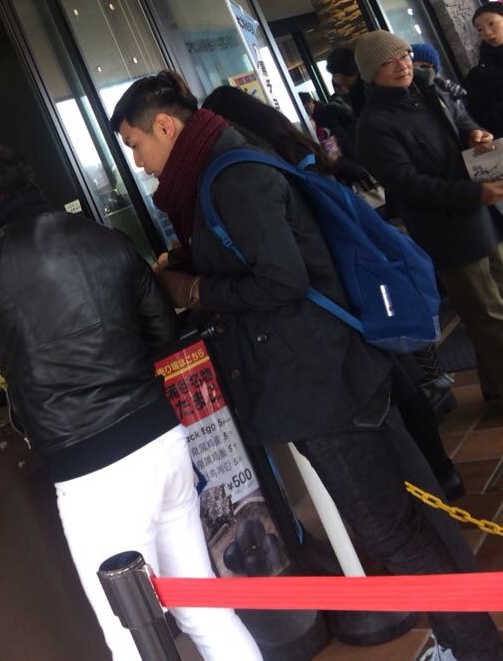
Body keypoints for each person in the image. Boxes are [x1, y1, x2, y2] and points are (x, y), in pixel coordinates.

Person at [112, 70, 502, 661]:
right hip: (332, 372)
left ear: (165, 126)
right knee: (414, 518)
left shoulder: (231, 175)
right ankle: (470, 641)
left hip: (323, 385)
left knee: (394, 532)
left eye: (136, 144)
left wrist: (191, 289)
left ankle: (473, 648)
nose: (139, 163)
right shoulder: (222, 166)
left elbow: (282, 280)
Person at [0, 145, 260, 661]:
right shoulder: (104, 237)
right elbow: (163, 334)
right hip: (162, 441)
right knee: (206, 610)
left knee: (131, 637)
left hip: (95, 472)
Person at [202, 84, 462, 499]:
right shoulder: (293, 145)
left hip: (334, 294)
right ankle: (443, 472)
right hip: (357, 278)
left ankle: (433, 481)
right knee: (400, 381)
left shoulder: (253, 167)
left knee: (393, 392)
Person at [354, 30, 503, 405]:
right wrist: (474, 194)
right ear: (370, 73)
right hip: (448, 232)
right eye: (388, 62)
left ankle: (495, 388)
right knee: (489, 318)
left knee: (494, 310)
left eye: (404, 55)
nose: (402, 65)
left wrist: (474, 134)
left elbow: (461, 117)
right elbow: (409, 185)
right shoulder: (373, 126)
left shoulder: (429, 88)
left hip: (484, 215)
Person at [465, 1, 503, 137]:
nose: (487, 32)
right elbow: (482, 118)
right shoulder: (477, 76)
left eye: (491, 23)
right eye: (480, 29)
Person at [326, 46, 367, 116]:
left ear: (347, 71)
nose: (333, 80)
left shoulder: (365, 93)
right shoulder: (356, 90)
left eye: (335, 75)